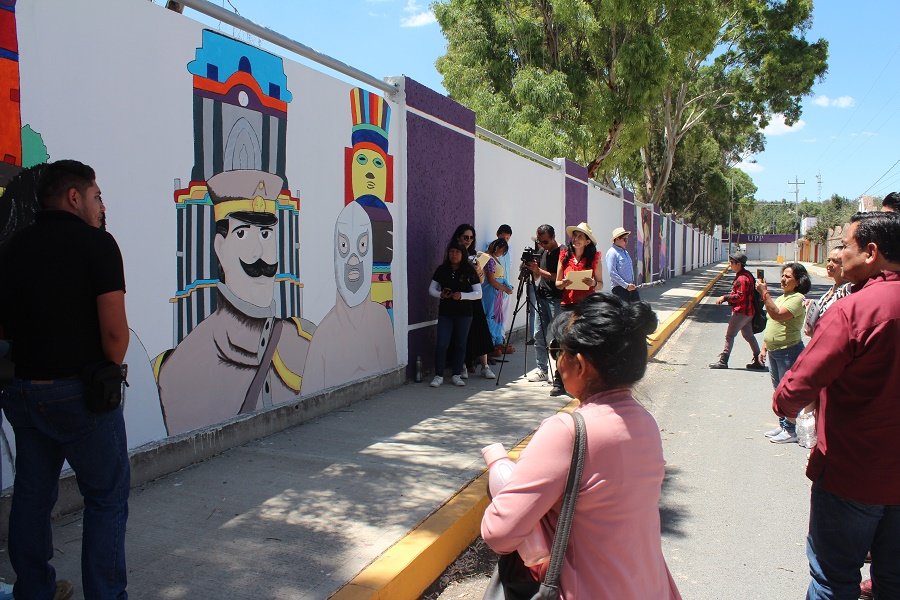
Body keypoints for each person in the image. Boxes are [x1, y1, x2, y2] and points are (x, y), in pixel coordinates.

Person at [481, 294, 681, 599]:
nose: (557, 362)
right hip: (648, 586)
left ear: (581, 363)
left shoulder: (567, 432)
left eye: (559, 351)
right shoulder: (645, 422)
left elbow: (500, 533)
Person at [0, 160, 130, 600]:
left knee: (33, 501)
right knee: (107, 497)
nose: (101, 206)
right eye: (96, 197)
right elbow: (114, 337)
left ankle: (33, 591)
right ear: (74, 197)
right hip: (82, 396)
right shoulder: (97, 245)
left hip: (25, 393)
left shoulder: (15, 248)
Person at [772, 211, 900, 599]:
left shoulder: (853, 310)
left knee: (834, 580)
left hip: (853, 474)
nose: (840, 254)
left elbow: (793, 390)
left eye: (845, 245)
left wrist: (786, 403)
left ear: (871, 252)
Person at [756, 262, 811, 443]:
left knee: (788, 393)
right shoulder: (782, 297)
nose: (783, 279)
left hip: (789, 351)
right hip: (774, 351)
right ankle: (783, 425)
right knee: (778, 392)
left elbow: (778, 315)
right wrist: (764, 347)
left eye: (788, 277)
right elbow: (773, 323)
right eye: (783, 275)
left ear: (798, 281)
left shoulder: (798, 298)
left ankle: (791, 430)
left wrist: (764, 293)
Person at [553, 222, 603, 396]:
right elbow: (557, 284)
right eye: (575, 235)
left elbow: (600, 284)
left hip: (586, 306)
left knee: (584, 343)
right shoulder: (564, 256)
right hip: (567, 304)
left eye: (581, 236)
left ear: (588, 241)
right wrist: (564, 283)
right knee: (563, 342)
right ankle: (558, 382)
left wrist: (593, 283)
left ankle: (584, 381)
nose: (576, 239)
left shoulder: (594, 257)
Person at [427, 242, 482, 387]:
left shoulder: (469, 270)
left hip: (464, 314)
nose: (454, 255)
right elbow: (431, 289)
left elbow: (478, 293)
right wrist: (441, 294)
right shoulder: (442, 269)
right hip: (446, 312)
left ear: (463, 254)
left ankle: (456, 374)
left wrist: (462, 295)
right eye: (451, 252)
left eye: (457, 252)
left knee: (460, 343)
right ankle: (438, 375)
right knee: (442, 343)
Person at [450, 224, 495, 379]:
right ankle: (462, 365)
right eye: (465, 237)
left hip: (474, 297)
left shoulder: (475, 255)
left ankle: (485, 365)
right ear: (458, 237)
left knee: (480, 329)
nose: (468, 240)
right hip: (458, 298)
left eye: (471, 237)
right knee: (461, 334)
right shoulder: (453, 254)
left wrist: (477, 271)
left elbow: (481, 280)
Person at [708, 251, 765, 370]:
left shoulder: (742, 278)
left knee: (729, 335)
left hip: (741, 312)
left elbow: (740, 296)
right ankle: (759, 361)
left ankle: (723, 361)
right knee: (749, 335)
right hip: (749, 312)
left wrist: (725, 297)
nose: (730, 264)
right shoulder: (747, 274)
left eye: (732, 262)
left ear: (738, 264)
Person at [524, 225, 562, 390]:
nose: (543, 245)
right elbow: (539, 276)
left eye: (545, 241)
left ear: (553, 237)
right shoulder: (542, 252)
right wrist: (533, 270)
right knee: (538, 334)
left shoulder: (563, 252)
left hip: (556, 299)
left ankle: (558, 372)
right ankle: (542, 369)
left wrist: (538, 269)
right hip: (542, 297)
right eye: (540, 241)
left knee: (555, 337)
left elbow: (560, 277)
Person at [803, 246, 851, 336]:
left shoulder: (848, 290)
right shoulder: (832, 289)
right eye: (828, 260)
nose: (829, 264)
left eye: (835, 261)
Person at [481, 238, 513, 351]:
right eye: (502, 250)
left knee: (498, 318)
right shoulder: (489, 259)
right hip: (490, 292)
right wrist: (505, 288)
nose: (502, 253)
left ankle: (497, 342)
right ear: (497, 248)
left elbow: (500, 277)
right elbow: (491, 280)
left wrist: (507, 286)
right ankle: (490, 344)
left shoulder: (495, 258)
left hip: (497, 292)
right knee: (491, 317)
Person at [605, 226, 640, 302]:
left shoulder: (625, 252)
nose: (626, 242)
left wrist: (630, 285)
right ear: (617, 239)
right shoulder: (612, 253)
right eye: (624, 239)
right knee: (624, 312)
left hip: (631, 287)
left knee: (638, 310)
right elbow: (612, 273)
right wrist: (626, 285)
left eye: (627, 239)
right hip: (620, 289)